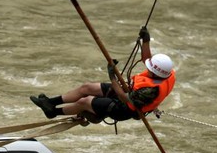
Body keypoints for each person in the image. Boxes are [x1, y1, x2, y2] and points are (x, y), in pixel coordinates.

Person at [30, 27, 175, 125]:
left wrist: (112, 76)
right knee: (87, 87)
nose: (147, 66)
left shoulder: (151, 90)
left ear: (156, 73)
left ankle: (53, 112)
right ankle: (50, 102)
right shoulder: (165, 72)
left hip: (125, 108)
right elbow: (146, 59)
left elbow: (126, 98)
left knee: (85, 101)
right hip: (127, 92)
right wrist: (146, 41)